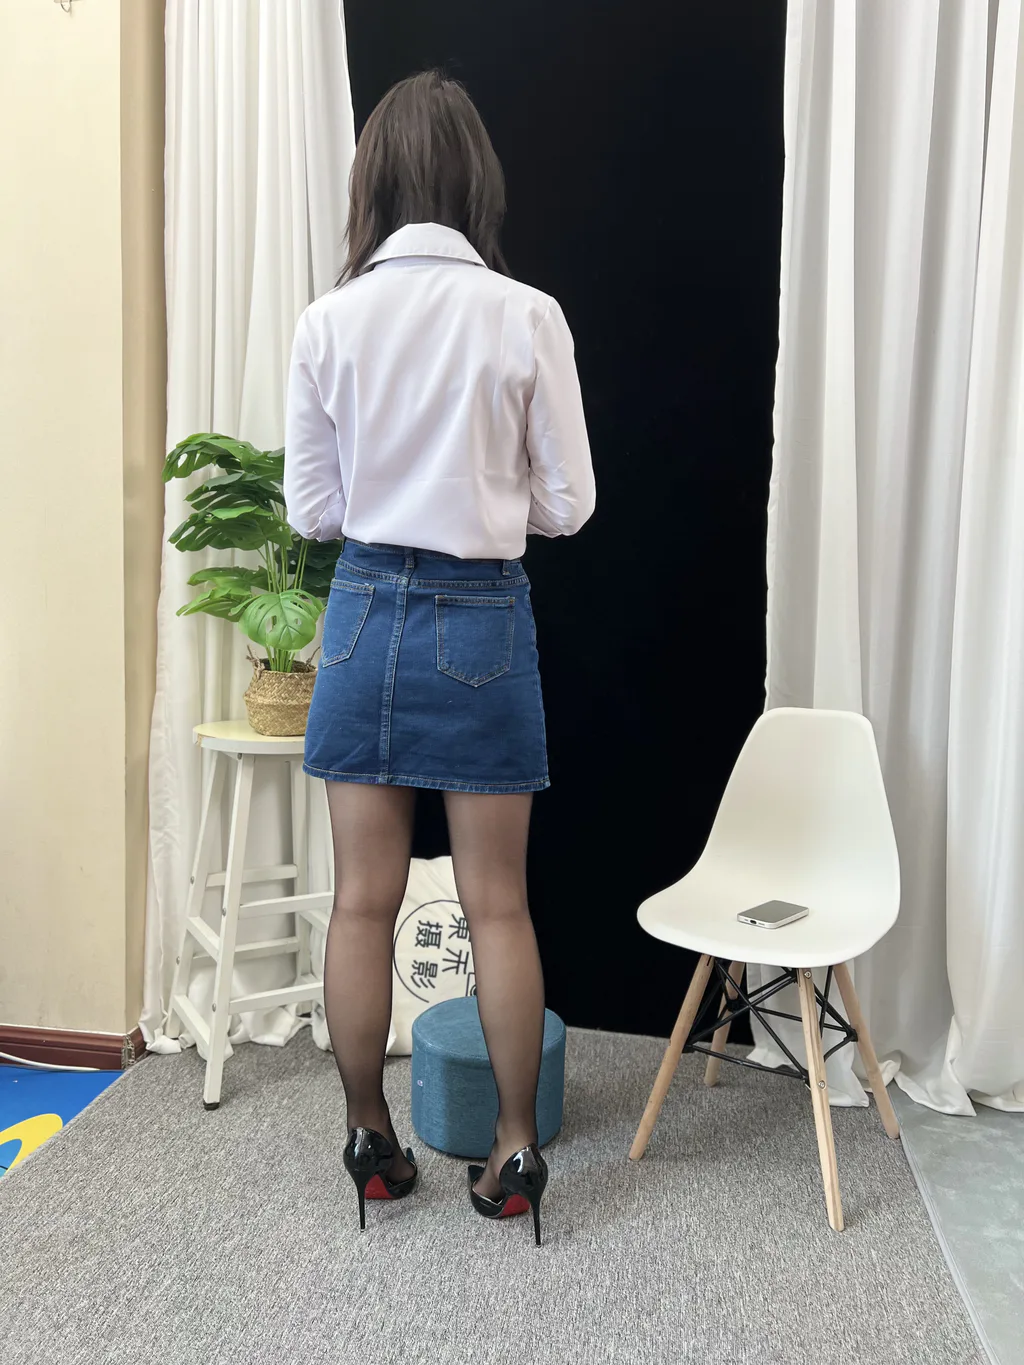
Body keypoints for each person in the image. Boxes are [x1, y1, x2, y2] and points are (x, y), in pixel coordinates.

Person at [283, 69, 595, 1246]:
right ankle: (513, 1152)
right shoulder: (525, 314)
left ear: (371, 183)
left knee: (360, 902)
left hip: (363, 611)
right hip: (481, 617)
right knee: (497, 906)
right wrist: (494, 498)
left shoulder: (329, 321)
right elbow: (571, 503)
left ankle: (370, 1139)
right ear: (476, 183)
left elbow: (312, 510)